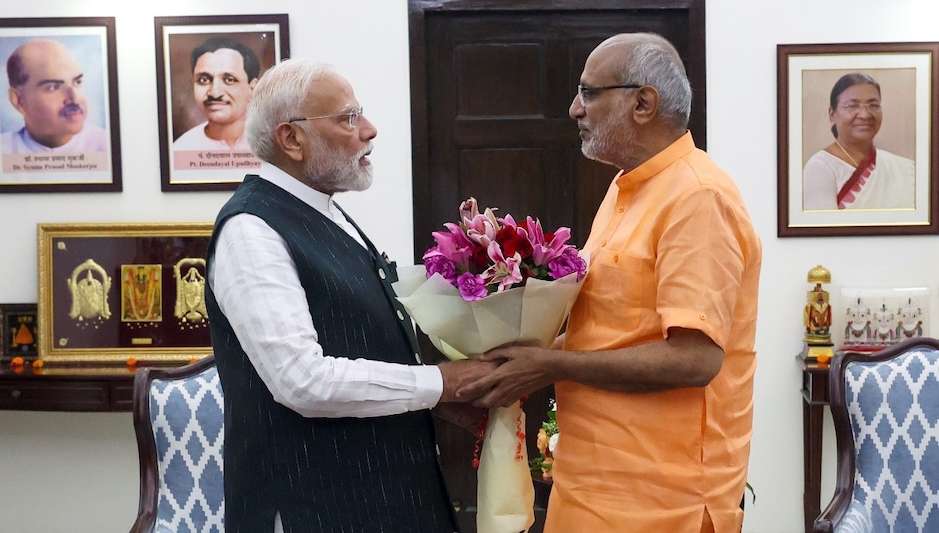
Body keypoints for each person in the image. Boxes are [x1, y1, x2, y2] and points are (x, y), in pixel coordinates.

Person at [458, 33, 762, 532]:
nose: (575, 109)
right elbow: (608, 332)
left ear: (643, 102)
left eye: (589, 92)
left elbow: (695, 358)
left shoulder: (697, 197)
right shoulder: (628, 187)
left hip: (662, 497)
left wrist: (547, 365)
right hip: (593, 483)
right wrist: (511, 358)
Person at [205, 57, 494, 532]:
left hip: (381, 499)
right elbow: (303, 380)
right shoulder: (251, 232)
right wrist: (443, 383)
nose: (370, 130)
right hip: (315, 508)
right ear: (291, 138)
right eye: (348, 118)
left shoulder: (323, 209)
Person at [802, 73, 915, 210]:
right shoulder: (820, 167)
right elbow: (825, 229)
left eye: (873, 105)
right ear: (832, 115)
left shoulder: (905, 168)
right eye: (852, 106)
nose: (865, 115)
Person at [0, 38, 107, 153]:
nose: (75, 99)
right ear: (19, 101)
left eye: (77, 82)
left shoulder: (106, 145)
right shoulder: (0, 151)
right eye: (53, 87)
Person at [172, 37, 260, 151]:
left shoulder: (271, 145)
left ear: (252, 88)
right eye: (204, 80)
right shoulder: (183, 148)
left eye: (229, 79)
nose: (215, 93)